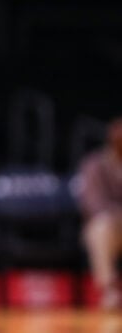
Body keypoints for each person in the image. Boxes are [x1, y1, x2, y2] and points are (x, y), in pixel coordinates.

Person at [78, 115, 122, 310]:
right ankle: (109, 292)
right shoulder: (94, 164)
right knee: (100, 228)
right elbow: (93, 204)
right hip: (111, 226)